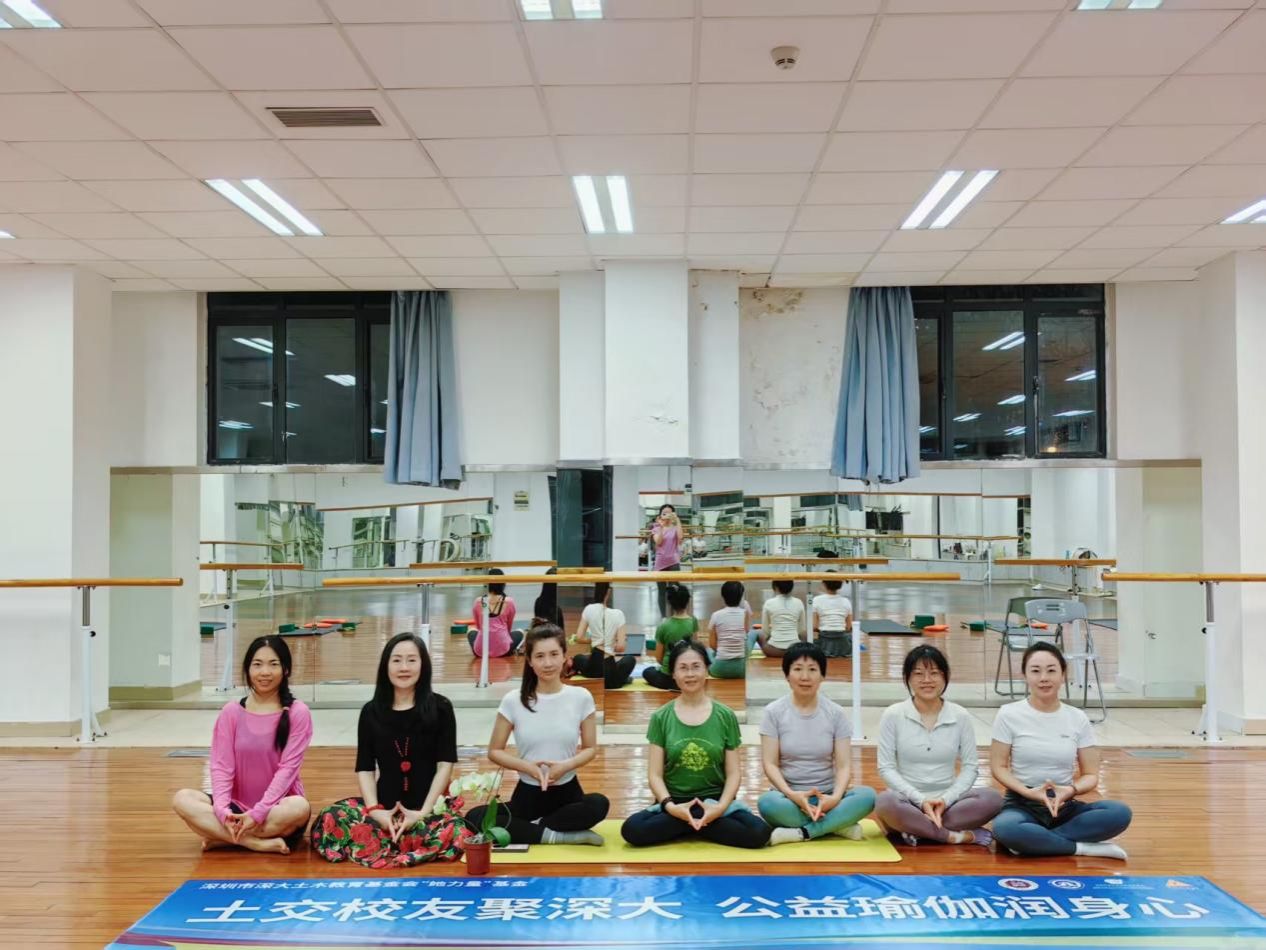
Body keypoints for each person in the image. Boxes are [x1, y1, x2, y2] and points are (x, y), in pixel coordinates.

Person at [309, 633, 469, 867]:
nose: (404, 667)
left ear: (423, 665)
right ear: (386, 665)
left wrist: (423, 813)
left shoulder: (441, 707)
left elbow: (445, 765)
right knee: (331, 817)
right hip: (383, 808)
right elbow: (365, 768)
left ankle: (393, 841)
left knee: (457, 831)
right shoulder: (371, 712)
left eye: (412, 660)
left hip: (428, 810)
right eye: (396, 660)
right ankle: (403, 841)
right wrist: (375, 811)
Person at [466, 624, 609, 845]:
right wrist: (528, 768)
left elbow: (590, 749)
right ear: (530, 661)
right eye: (540, 656)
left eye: (554, 654)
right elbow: (494, 751)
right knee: (474, 818)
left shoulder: (581, 697)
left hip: (568, 794)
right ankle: (555, 835)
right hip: (527, 795)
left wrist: (565, 766)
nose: (548, 663)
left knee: (599, 804)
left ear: (565, 656)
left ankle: (532, 829)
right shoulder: (513, 700)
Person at [621, 641, 770, 849]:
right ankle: (696, 822)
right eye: (683, 668)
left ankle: (690, 823)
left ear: (707, 670)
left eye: (696, 666)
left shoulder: (725, 715)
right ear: (673, 674)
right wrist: (671, 807)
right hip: (675, 801)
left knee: (759, 832)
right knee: (632, 829)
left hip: (715, 801)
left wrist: (719, 808)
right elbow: (654, 774)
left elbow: (734, 773)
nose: (690, 674)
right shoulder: (661, 717)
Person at [990, 642, 1132, 859]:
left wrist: (1069, 791)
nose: (1043, 678)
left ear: (1063, 674)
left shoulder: (1077, 718)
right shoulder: (1008, 714)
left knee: (1119, 813)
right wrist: (1028, 792)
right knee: (1005, 827)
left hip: (1063, 803)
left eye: (1051, 670)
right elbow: (998, 767)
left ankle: (1033, 842)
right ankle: (1081, 848)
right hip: (1022, 803)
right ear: (1025, 675)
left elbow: (1091, 774)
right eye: (1035, 671)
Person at [172, 636, 312, 854]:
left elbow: (288, 770)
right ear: (247, 669)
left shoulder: (298, 712)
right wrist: (222, 812)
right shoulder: (231, 712)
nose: (264, 672)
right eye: (257, 664)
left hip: (275, 810)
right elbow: (221, 767)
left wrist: (257, 814)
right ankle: (253, 842)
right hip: (235, 808)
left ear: (285, 670)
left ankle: (223, 837)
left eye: (273, 664)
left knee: (299, 807)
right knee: (182, 799)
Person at [874, 645, 1002, 847]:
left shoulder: (960, 715)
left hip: (948, 804)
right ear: (907, 678)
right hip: (907, 801)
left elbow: (970, 767)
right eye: (918, 674)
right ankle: (953, 836)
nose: (927, 680)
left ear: (945, 677)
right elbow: (886, 768)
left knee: (993, 799)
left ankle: (916, 830)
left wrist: (946, 799)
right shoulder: (893, 714)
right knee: (885, 803)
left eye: (934, 673)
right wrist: (920, 800)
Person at [759, 642, 876, 845]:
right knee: (767, 803)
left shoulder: (835, 713)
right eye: (798, 669)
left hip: (828, 797)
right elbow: (770, 764)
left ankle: (802, 832)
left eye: (812, 670)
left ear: (822, 675)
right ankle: (837, 825)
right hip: (789, 798)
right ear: (787, 675)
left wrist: (835, 798)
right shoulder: (773, 712)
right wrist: (792, 795)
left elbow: (843, 766)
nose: (805, 677)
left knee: (868, 796)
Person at [572, 582, 636, 689]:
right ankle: (621, 678)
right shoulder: (618, 614)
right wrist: (610, 643)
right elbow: (621, 647)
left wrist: (596, 641)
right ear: (608, 592)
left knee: (578, 658)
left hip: (593, 669)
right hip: (610, 674)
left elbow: (578, 638)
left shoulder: (589, 609)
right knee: (630, 659)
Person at [643, 583, 698, 690]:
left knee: (647, 671)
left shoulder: (663, 625)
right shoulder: (693, 621)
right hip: (687, 675)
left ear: (670, 603)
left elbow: (659, 658)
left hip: (668, 677)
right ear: (687, 601)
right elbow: (695, 648)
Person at [468, 567, 523, 658]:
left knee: (471, 630)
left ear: (487, 583)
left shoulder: (478, 601)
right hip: (503, 650)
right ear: (503, 583)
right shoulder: (509, 602)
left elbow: (479, 627)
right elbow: (508, 628)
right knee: (520, 632)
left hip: (480, 650)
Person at [707, 579, 752, 679]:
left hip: (719, 670)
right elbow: (745, 635)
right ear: (741, 597)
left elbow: (712, 644)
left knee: (708, 651)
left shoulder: (716, 615)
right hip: (742, 670)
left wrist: (722, 652)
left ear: (723, 596)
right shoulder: (745, 614)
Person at [651, 503, 685, 617]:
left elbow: (680, 538)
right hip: (660, 563)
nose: (666, 515)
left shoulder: (675, 527)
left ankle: (675, 615)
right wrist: (661, 527)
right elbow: (658, 542)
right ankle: (664, 617)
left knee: (674, 590)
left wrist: (677, 520)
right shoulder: (656, 528)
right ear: (660, 515)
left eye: (669, 513)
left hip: (673, 562)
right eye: (664, 513)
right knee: (661, 592)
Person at [758, 579, 806, 658]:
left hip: (773, 651)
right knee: (804, 637)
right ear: (791, 586)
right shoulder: (799, 602)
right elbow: (802, 630)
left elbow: (765, 630)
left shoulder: (769, 603)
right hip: (795, 651)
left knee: (757, 633)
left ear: (775, 587)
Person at [811, 571, 854, 659]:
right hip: (843, 644)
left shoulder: (816, 600)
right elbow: (849, 627)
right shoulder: (846, 601)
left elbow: (814, 626)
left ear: (824, 584)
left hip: (824, 643)